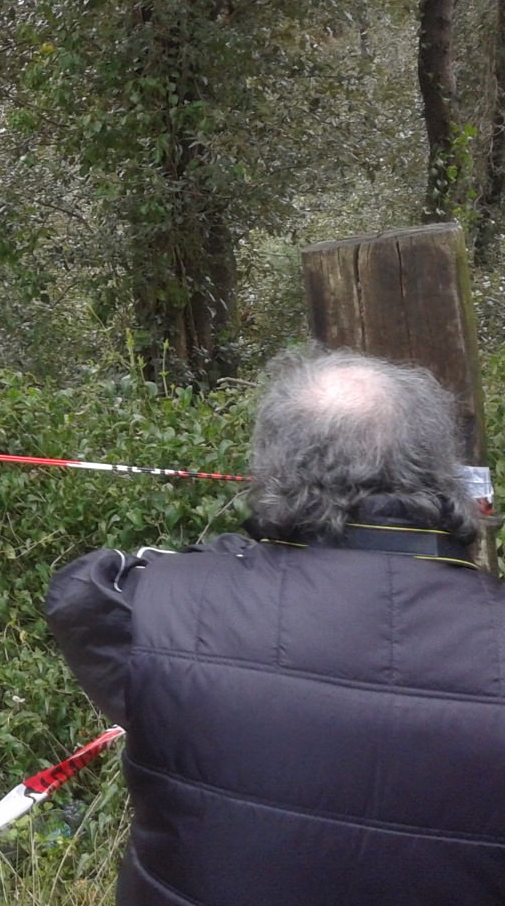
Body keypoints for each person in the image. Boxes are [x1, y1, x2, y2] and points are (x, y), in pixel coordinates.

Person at [44, 346, 505, 906]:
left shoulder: (168, 604)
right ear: (440, 466)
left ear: (272, 466)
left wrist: (238, 550)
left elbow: (80, 590)